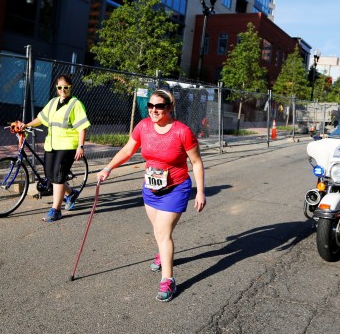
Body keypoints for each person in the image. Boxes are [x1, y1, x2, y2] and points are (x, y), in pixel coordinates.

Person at [97, 89, 206, 302]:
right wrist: (108, 168)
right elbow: (128, 150)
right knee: (158, 231)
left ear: (170, 108)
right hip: (151, 187)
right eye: (151, 106)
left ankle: (168, 280)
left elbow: (196, 162)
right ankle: (162, 256)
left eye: (159, 106)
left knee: (163, 233)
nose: (154, 110)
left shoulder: (182, 132)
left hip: (176, 188)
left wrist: (200, 192)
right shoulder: (143, 126)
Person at [21, 74, 91, 222]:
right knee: (51, 176)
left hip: (67, 145)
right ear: (57, 88)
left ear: (70, 87)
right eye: (60, 87)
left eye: (66, 87)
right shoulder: (52, 102)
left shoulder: (76, 104)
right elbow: (41, 118)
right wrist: (26, 125)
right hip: (51, 144)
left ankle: (56, 210)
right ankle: (70, 193)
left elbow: (82, 127)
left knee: (58, 177)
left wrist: (80, 146)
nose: (63, 90)